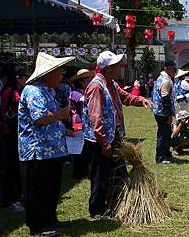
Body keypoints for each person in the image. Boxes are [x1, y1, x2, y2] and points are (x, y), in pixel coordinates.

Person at [84, 52, 155, 218]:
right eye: (117, 65)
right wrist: (103, 142)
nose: (120, 68)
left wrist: (141, 100)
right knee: (100, 175)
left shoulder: (112, 84)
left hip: (113, 136)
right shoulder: (96, 87)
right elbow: (96, 117)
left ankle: (116, 203)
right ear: (107, 68)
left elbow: (126, 97)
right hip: (100, 140)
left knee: (118, 172)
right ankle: (97, 210)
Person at [18, 53, 74, 237]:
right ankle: (38, 224)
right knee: (37, 188)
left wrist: (63, 128)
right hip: (37, 151)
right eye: (59, 71)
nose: (62, 75)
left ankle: (50, 218)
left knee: (51, 187)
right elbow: (40, 118)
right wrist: (60, 115)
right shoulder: (33, 91)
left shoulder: (48, 91)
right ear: (48, 73)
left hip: (52, 150)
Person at [0, 65, 29, 212]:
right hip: (10, 134)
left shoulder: (20, 91)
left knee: (18, 167)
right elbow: (6, 113)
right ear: (17, 78)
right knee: (11, 167)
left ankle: (18, 197)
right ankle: (10, 200)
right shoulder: (9, 91)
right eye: (25, 77)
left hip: (19, 134)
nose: (27, 80)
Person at [68, 68, 95, 180]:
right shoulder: (75, 93)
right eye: (88, 79)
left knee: (86, 149)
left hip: (86, 124)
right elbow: (85, 100)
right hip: (78, 124)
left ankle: (85, 170)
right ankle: (79, 172)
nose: (91, 81)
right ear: (81, 81)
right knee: (79, 150)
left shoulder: (84, 92)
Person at [152, 59, 178, 164]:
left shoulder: (161, 78)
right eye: (173, 69)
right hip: (162, 112)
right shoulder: (166, 81)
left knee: (166, 133)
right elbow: (165, 97)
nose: (174, 72)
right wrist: (169, 115)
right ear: (169, 69)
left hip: (159, 111)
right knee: (163, 134)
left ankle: (166, 153)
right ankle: (160, 157)